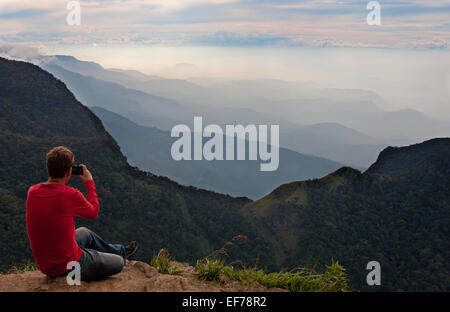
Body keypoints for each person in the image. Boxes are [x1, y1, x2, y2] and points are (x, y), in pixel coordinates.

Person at [26, 146, 138, 281]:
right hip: (68, 265)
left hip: (45, 264)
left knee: (84, 232)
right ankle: (115, 256)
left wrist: (64, 176)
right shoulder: (70, 195)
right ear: (69, 171)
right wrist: (88, 181)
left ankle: (122, 251)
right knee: (119, 263)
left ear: (48, 169)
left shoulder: (33, 192)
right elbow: (93, 212)